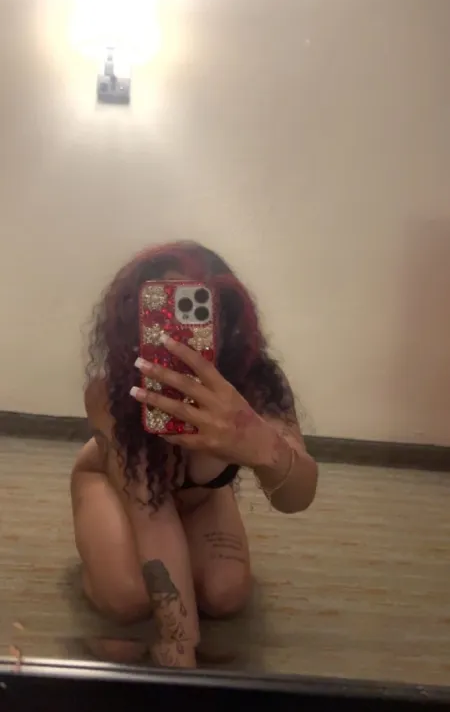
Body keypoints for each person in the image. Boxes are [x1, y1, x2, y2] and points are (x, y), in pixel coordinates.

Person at [71, 241, 318, 668]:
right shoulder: (113, 392)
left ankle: (190, 529)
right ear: (133, 316)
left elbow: (298, 497)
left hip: (200, 494)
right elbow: (150, 512)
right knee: (128, 598)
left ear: (226, 318)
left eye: (196, 308)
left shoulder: (254, 384)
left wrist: (262, 446)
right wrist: (180, 639)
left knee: (226, 595)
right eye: (161, 309)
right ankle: (98, 555)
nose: (177, 329)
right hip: (114, 483)